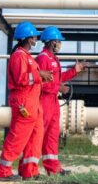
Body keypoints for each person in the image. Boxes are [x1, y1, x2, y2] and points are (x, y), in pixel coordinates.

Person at [0, 22, 54, 181]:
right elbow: (21, 79)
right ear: (28, 38)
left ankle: (29, 171)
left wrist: (42, 76)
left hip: (33, 104)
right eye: (34, 36)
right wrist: (39, 75)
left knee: (35, 139)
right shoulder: (19, 56)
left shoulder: (27, 57)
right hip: (24, 103)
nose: (36, 39)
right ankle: (3, 171)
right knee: (17, 138)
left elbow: (31, 78)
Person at [36, 26, 87, 176]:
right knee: (39, 135)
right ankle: (29, 169)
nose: (60, 44)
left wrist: (75, 70)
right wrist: (59, 87)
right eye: (59, 41)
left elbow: (57, 79)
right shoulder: (42, 58)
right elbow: (41, 82)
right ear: (52, 42)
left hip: (52, 102)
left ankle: (53, 169)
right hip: (44, 100)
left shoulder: (53, 59)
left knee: (52, 136)